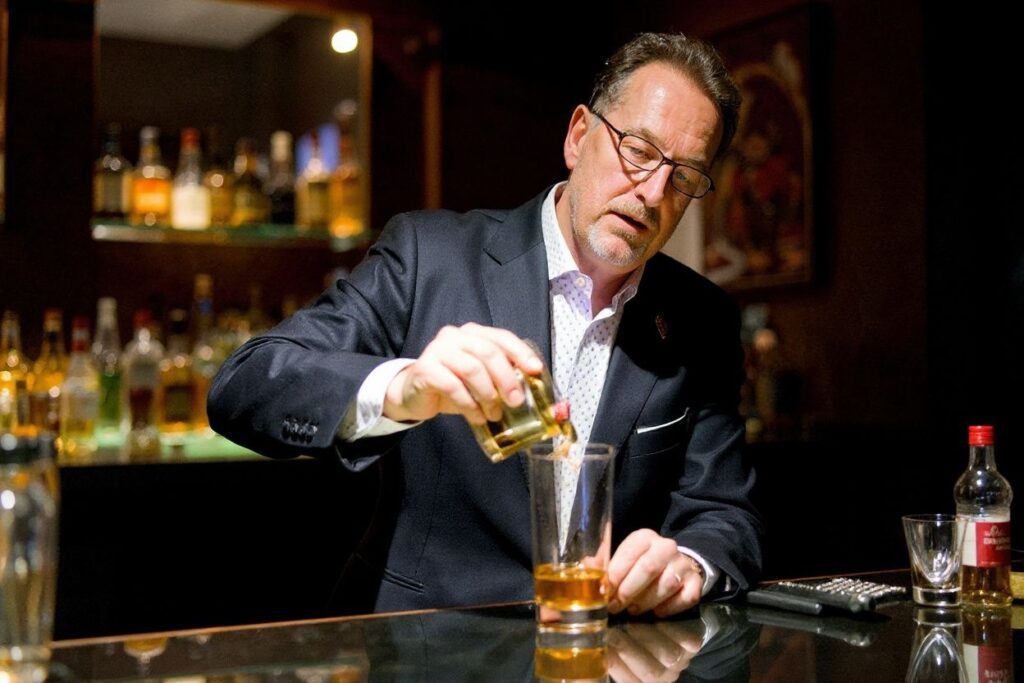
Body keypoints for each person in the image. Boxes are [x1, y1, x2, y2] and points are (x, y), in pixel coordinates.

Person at [208, 32, 762, 618]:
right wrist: (405, 387)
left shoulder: (702, 317)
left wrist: (688, 565)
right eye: (638, 150)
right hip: (424, 643)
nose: (652, 192)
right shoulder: (429, 255)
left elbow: (726, 514)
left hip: (600, 646)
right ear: (579, 136)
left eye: (684, 177)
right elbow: (246, 383)